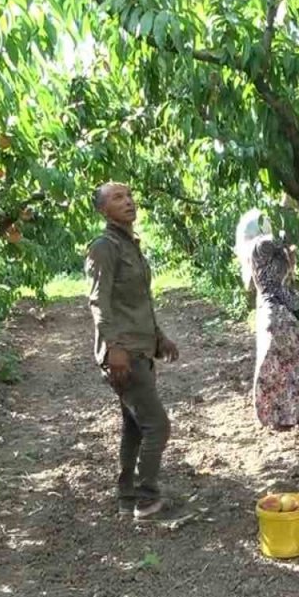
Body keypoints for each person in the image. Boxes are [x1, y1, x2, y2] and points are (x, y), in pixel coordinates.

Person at [85, 182, 180, 520]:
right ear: (102, 210)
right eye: (117, 198)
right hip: (124, 354)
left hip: (139, 348)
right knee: (158, 426)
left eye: (128, 196)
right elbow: (100, 302)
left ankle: (127, 497)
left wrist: (159, 337)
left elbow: (137, 303)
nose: (127, 202)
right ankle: (146, 498)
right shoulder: (104, 247)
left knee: (135, 426)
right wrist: (114, 348)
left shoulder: (129, 245)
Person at [234, 209, 299, 429]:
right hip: (278, 311)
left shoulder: (257, 251)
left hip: (270, 312)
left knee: (280, 362)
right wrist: (288, 210)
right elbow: (283, 239)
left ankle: (282, 412)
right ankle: (288, 411)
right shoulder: (261, 246)